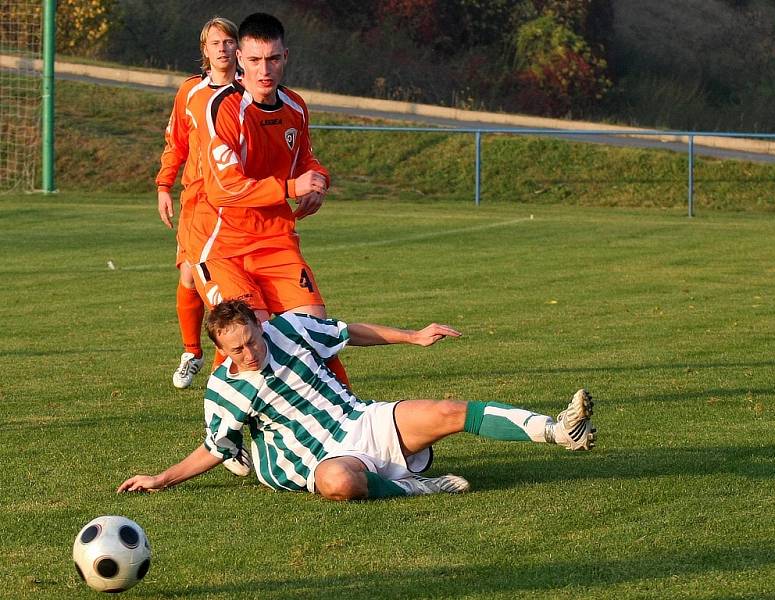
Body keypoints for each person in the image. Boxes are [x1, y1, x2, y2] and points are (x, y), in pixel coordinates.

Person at [118, 300, 597, 500]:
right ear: (221, 351)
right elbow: (216, 447)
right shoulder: (222, 390)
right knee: (336, 482)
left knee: (450, 411)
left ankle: (557, 430)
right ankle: (419, 488)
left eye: (252, 339)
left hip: (360, 421)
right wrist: (162, 478)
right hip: (320, 459)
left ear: (260, 326)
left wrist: (412, 336)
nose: (250, 352)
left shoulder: (289, 327)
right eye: (237, 349)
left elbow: (348, 333)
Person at [184, 12, 350, 386]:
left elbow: (306, 158)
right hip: (223, 243)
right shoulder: (222, 108)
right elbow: (223, 187)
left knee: (316, 334)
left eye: (273, 59)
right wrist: (291, 188)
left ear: (285, 57)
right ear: (240, 59)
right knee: (245, 336)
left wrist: (318, 179)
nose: (265, 70)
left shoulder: (295, 106)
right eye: (255, 60)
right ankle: (225, 437)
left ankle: (348, 420)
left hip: (275, 239)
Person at [155, 17, 239, 389]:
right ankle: (193, 351)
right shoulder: (190, 91)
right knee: (190, 275)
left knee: (229, 289)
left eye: (229, 40)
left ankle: (227, 365)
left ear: (239, 47)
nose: (223, 47)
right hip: (199, 201)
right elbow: (177, 142)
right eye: (215, 42)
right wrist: (163, 185)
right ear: (204, 50)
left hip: (238, 203)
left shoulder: (250, 90)